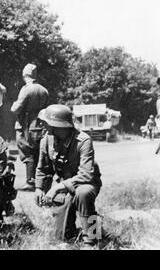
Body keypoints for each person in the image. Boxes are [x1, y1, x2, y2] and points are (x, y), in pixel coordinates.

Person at [34, 104, 102, 247]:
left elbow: (86, 175)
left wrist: (57, 187)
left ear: (56, 124)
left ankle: (92, 239)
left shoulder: (83, 141)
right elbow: (43, 168)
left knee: (82, 194)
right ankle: (79, 232)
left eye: (46, 122)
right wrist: (39, 188)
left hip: (87, 182)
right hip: (64, 184)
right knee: (62, 237)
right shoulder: (46, 140)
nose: (43, 125)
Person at [10, 63, 49, 191]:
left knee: (27, 152)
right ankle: (40, 181)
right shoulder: (44, 90)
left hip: (25, 125)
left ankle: (30, 181)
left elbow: (16, 108)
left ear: (24, 74)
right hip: (41, 124)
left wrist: (13, 104)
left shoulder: (26, 89)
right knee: (39, 152)